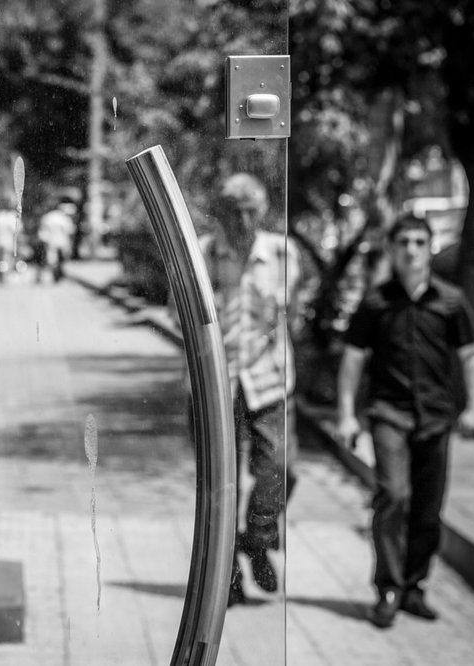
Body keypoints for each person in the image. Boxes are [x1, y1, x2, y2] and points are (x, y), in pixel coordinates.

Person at [336, 214, 474, 629]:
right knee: (394, 495)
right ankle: (388, 586)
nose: (412, 250)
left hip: (436, 418)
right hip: (388, 414)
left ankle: (414, 587)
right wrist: (347, 414)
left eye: (420, 242)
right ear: (392, 248)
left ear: (431, 247)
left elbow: (471, 355)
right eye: (403, 241)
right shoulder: (375, 302)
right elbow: (352, 358)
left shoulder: (451, 301)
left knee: (427, 508)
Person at [186, 173, 301, 606]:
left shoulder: (281, 253)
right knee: (221, 485)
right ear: (222, 213)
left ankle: (258, 537)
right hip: (217, 384)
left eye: (253, 209)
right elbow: (179, 314)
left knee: (280, 467)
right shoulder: (204, 252)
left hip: (268, 379)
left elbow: (290, 313)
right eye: (236, 211)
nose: (246, 220)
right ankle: (226, 576)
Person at [36, 202, 76, 283]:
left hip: (50, 241)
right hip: (62, 242)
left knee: (51, 260)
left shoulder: (47, 217)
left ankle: (48, 277)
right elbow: (70, 231)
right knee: (60, 261)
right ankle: (57, 277)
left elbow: (42, 232)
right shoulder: (64, 218)